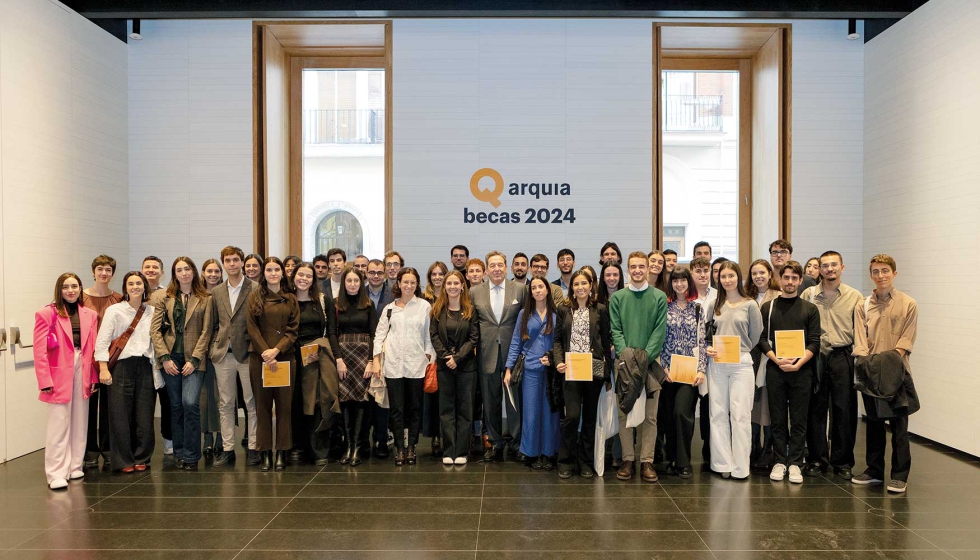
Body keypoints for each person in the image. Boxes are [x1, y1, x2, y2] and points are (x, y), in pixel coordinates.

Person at [851, 254, 917, 494]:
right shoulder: (863, 305)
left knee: (899, 426)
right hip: (870, 372)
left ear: (894, 273)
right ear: (871, 275)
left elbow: (906, 341)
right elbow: (859, 339)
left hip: (896, 372)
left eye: (885, 271)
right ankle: (874, 470)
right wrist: (866, 364)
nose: (881, 276)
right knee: (874, 424)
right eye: (876, 271)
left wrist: (885, 364)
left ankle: (899, 475)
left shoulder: (908, 303)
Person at [800, 250, 864, 480]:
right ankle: (817, 459)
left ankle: (843, 461)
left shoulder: (855, 296)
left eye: (833, 265)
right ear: (819, 269)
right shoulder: (808, 294)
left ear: (842, 268)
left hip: (842, 354)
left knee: (843, 410)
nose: (829, 269)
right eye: (825, 265)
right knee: (815, 410)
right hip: (815, 355)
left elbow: (861, 330)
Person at [758, 261, 821, 484]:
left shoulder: (810, 309)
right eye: (786, 278)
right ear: (780, 278)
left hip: (801, 371)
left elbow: (814, 342)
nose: (790, 282)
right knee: (776, 418)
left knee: (798, 419)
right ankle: (779, 461)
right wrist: (776, 358)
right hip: (775, 369)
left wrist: (798, 363)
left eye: (795, 278)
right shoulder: (769, 307)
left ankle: (795, 463)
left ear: (800, 280)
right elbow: (762, 339)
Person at [35, 273, 99, 489]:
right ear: (59, 290)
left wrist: (94, 376)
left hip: (83, 366)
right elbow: (40, 351)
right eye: (66, 287)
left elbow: (93, 348)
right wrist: (44, 379)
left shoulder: (90, 314)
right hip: (58, 371)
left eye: (74, 286)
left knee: (81, 420)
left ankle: (74, 466)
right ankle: (55, 473)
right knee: (59, 422)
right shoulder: (46, 314)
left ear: (81, 288)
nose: (71, 290)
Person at [150, 257, 214, 471]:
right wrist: (164, 358)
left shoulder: (205, 298)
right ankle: (178, 452)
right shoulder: (165, 297)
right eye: (179, 270)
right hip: (171, 360)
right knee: (175, 406)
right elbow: (155, 330)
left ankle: (192, 455)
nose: (184, 273)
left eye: (187, 269)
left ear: (194, 272)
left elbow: (207, 331)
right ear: (174, 273)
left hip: (194, 360)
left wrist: (195, 359)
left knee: (190, 404)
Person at [610, 252, 668, 483]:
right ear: (628, 269)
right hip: (623, 365)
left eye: (641, 266)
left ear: (647, 269)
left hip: (650, 364)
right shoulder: (618, 298)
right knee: (625, 413)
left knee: (650, 417)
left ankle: (646, 461)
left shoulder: (659, 297)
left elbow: (659, 332)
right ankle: (627, 459)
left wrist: (642, 359)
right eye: (633, 266)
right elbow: (616, 330)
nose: (637, 270)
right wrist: (628, 359)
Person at [96, 271, 159, 476]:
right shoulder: (115, 311)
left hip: (145, 365)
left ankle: (142, 456)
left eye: (138, 283)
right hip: (121, 366)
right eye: (130, 283)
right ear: (125, 287)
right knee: (120, 414)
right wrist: (104, 367)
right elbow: (103, 341)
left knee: (144, 414)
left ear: (144, 286)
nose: (135, 287)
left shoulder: (151, 311)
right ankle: (123, 459)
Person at [705, 261, 763, 480]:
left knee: (740, 415)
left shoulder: (750, 305)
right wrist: (709, 348)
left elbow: (756, 335)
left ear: (739, 277)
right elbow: (707, 333)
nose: (727, 280)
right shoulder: (714, 304)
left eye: (731, 276)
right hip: (717, 363)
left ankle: (740, 467)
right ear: (718, 280)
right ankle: (722, 464)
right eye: (723, 276)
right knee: (717, 413)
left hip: (741, 363)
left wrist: (742, 348)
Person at [373, 267, 434, 466]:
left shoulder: (424, 306)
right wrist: (376, 360)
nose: (409, 285)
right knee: (397, 409)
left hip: (416, 365)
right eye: (405, 282)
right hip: (393, 365)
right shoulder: (390, 308)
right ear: (398, 283)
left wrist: (429, 358)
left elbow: (429, 336)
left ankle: (412, 447)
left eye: (413, 282)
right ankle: (399, 448)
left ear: (417, 285)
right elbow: (379, 335)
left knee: (415, 408)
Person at [553, 270, 611, 478]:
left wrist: (607, 371)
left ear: (591, 285)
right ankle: (565, 460)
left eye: (584, 283)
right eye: (576, 284)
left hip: (593, 370)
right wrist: (558, 361)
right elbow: (558, 340)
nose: (580, 287)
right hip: (571, 369)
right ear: (572, 288)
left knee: (589, 418)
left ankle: (585, 462)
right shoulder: (564, 309)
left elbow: (606, 341)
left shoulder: (601, 309)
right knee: (572, 416)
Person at [472, 252, 527, 461]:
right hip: (486, 355)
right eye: (492, 265)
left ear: (506, 268)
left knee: (514, 402)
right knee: (490, 402)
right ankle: (494, 443)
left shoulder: (520, 290)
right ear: (486, 270)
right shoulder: (474, 291)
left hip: (512, 356)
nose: (496, 269)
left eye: (500, 265)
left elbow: (525, 322)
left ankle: (516, 444)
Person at [246, 257, 299, 472]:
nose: (273, 273)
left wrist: (277, 350)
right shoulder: (254, 296)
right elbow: (252, 328)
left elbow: (293, 329)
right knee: (263, 407)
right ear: (264, 273)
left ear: (282, 273)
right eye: (269, 269)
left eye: (277, 269)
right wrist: (266, 352)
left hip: (285, 357)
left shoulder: (291, 298)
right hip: (260, 358)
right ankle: (265, 452)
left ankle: (282, 452)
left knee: (285, 408)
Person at [210, 246, 260, 468]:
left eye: (236, 260)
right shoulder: (217, 292)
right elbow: (212, 324)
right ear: (223, 263)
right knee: (226, 403)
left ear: (242, 263)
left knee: (251, 402)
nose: (232, 264)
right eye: (228, 260)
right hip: (223, 355)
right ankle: (228, 450)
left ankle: (253, 447)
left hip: (247, 354)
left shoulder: (255, 288)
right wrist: (213, 348)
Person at [505, 276, 560, 470]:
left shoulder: (557, 313)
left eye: (541, 287)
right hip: (530, 370)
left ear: (547, 290)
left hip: (551, 371)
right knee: (531, 412)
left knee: (549, 413)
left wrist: (553, 357)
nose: (537, 290)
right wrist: (509, 367)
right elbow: (516, 342)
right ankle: (531, 452)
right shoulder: (524, 314)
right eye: (534, 288)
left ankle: (548, 452)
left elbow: (560, 341)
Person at [291, 261, 341, 466]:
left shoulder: (322, 300)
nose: (304, 279)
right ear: (293, 277)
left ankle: (318, 448)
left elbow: (331, 331)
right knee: (295, 402)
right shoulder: (287, 300)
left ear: (314, 280)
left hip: (315, 356)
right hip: (291, 356)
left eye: (308, 276)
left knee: (317, 402)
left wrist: (337, 357)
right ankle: (297, 446)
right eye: (300, 275)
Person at [659, 267, 707, 479]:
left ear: (689, 283)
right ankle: (671, 459)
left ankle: (684, 462)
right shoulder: (664, 308)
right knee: (668, 416)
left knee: (683, 414)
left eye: (683, 280)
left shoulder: (697, 309)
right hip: (668, 372)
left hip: (689, 372)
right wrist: (663, 367)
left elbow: (702, 341)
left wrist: (701, 369)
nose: (679, 284)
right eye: (675, 280)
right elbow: (660, 339)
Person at [429, 270, 480, 466]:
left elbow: (474, 338)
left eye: (456, 283)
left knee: (465, 410)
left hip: (466, 367)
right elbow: (433, 336)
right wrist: (446, 356)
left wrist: (457, 358)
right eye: (449, 283)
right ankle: (448, 450)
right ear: (444, 287)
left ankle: (462, 451)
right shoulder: (437, 309)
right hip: (444, 366)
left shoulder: (470, 309)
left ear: (462, 286)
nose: (452, 287)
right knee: (446, 410)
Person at [80, 255, 122, 472]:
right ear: (93, 271)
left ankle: (107, 450)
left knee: (109, 407)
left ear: (113, 273)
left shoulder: (118, 298)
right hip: (86, 360)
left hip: (110, 360)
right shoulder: (80, 296)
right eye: (100, 269)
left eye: (108, 270)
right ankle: (89, 451)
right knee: (88, 406)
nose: (104, 273)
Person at [335, 267, 378, 467]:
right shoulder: (336, 305)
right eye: (349, 281)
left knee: (361, 401)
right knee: (345, 401)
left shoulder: (368, 305)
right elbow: (332, 334)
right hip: (343, 358)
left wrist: (371, 361)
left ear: (361, 284)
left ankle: (359, 447)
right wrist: (338, 359)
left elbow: (374, 335)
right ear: (343, 283)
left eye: (356, 281)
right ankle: (348, 446)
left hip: (363, 358)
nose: (352, 284)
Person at [745, 258, 780, 469]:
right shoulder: (745, 297)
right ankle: (752, 446)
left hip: (769, 354)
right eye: (754, 273)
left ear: (769, 274)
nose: (758, 277)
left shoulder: (777, 296)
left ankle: (768, 448)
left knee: (766, 401)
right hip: (750, 355)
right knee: (751, 401)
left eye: (762, 272)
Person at [142, 256, 173, 458]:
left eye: (155, 267)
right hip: (140, 357)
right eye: (147, 267)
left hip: (163, 355)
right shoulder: (132, 293)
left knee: (168, 401)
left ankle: (169, 440)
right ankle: (142, 446)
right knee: (144, 405)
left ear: (162, 272)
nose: (151, 270)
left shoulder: (168, 295)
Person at [365, 258, 394, 457]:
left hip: (386, 352)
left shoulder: (393, 294)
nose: (376, 276)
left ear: (385, 274)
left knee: (383, 398)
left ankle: (382, 439)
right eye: (372, 272)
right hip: (360, 351)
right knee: (365, 398)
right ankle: (364, 441)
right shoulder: (358, 292)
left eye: (379, 272)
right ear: (366, 273)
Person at [690, 257, 716, 466]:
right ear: (692, 273)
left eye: (706, 270)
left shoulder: (718, 296)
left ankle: (709, 450)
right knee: (688, 407)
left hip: (715, 357)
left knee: (710, 407)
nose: (702, 274)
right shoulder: (686, 297)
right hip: (689, 359)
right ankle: (685, 453)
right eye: (698, 271)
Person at [422, 261, 450, 455]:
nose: (438, 277)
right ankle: (434, 436)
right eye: (434, 274)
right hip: (428, 353)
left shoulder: (452, 297)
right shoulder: (424, 299)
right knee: (431, 395)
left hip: (448, 353)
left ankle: (445, 434)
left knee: (446, 397)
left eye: (441, 274)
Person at [199, 258, 224, 457]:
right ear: (203, 272)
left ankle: (222, 437)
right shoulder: (197, 294)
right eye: (210, 271)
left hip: (221, 350)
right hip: (201, 352)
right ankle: (207, 437)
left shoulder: (224, 292)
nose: (213, 274)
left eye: (217, 271)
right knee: (205, 397)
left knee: (222, 396)